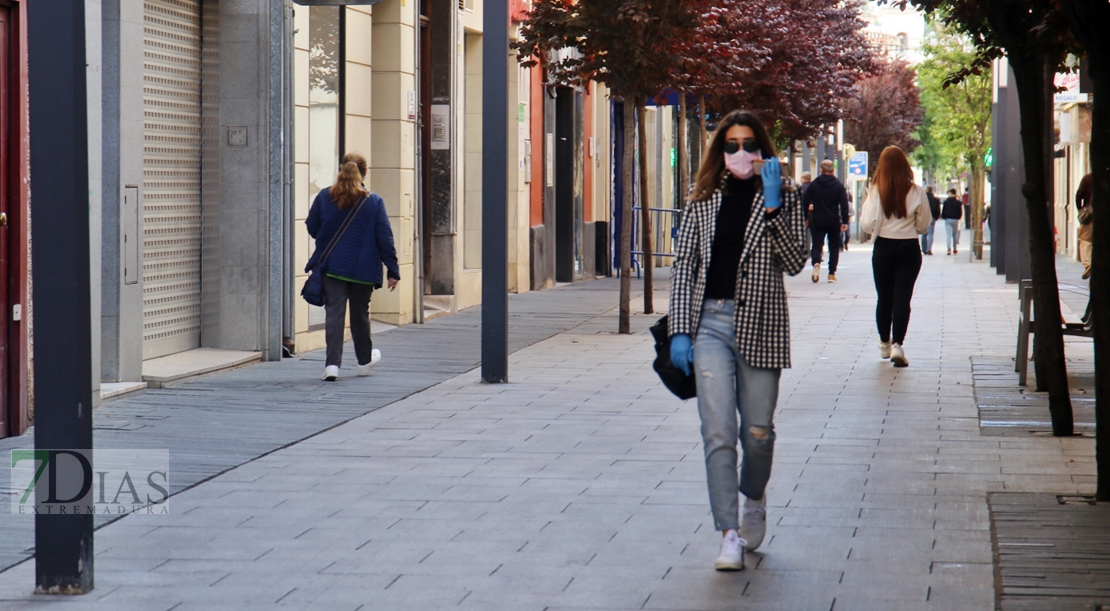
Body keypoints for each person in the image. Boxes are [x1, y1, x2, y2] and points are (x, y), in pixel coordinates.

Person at [668, 110, 807, 571]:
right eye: (731, 145)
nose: (741, 153)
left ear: (763, 148)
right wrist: (680, 331)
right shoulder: (703, 198)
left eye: (749, 144)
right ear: (720, 150)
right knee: (719, 433)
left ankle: (755, 497)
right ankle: (729, 533)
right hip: (709, 324)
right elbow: (685, 266)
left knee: (758, 433)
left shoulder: (784, 195)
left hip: (762, 324)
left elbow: (794, 261)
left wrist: (771, 207)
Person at [306, 152, 401, 381]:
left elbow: (312, 226)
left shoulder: (323, 197)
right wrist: (392, 270)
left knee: (334, 314)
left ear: (341, 170)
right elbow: (384, 238)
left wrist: (327, 240)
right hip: (364, 269)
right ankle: (364, 361)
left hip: (333, 266)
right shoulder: (374, 202)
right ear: (364, 173)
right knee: (360, 315)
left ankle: (332, 366)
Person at [861, 147, 932, 367]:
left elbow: (866, 223)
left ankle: (884, 341)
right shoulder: (917, 192)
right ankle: (898, 345)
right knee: (903, 298)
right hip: (909, 247)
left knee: (884, 297)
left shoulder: (875, 191)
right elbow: (923, 224)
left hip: (883, 246)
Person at [803, 160, 851, 283]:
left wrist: (805, 218)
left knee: (817, 244)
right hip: (834, 220)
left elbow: (805, 202)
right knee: (834, 246)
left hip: (818, 219)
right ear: (833, 170)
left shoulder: (814, 185)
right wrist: (845, 221)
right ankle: (831, 273)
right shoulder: (838, 185)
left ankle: (816, 263)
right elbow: (844, 204)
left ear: (820, 170)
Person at [1076, 173, 1093, 280]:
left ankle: (1088, 264)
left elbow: (1078, 195)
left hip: (1091, 216)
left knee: (1084, 240)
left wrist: (1081, 209)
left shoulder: (1088, 178)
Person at [920, 185, 941, 255]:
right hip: (932, 217)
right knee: (931, 233)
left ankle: (924, 249)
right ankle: (929, 249)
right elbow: (938, 210)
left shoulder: (922, 199)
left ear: (926, 190)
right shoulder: (935, 199)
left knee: (924, 234)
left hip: (924, 217)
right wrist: (936, 217)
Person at [941, 188, 963, 255]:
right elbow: (960, 211)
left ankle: (948, 248)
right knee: (955, 234)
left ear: (950, 193)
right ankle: (955, 249)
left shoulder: (946, 202)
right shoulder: (958, 202)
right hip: (955, 219)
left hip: (948, 219)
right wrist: (958, 217)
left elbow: (943, 211)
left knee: (948, 234)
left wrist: (944, 217)